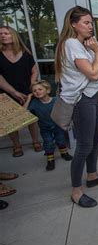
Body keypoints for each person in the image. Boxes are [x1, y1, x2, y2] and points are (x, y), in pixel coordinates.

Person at [55, 6, 98, 208]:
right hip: (82, 100)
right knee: (84, 144)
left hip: (93, 95)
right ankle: (76, 190)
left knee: (97, 137)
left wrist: (97, 66)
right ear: (73, 24)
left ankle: (92, 175)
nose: (91, 27)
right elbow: (93, 73)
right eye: (86, 23)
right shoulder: (72, 43)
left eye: (91, 22)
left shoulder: (82, 45)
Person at [0, 26, 42, 156]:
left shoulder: (25, 53)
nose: (3, 35)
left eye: (6, 33)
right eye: (1, 34)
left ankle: (35, 141)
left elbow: (34, 70)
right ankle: (16, 145)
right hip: (7, 92)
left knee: (31, 118)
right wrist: (13, 92)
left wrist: (32, 85)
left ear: (13, 35)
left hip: (26, 90)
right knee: (12, 120)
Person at [23, 80, 73, 170]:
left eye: (40, 89)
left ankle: (64, 153)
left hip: (57, 125)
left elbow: (64, 111)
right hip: (45, 128)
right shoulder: (34, 104)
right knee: (48, 142)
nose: (37, 91)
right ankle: (50, 159)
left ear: (48, 90)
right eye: (34, 91)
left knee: (61, 139)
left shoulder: (55, 100)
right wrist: (28, 99)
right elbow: (23, 112)